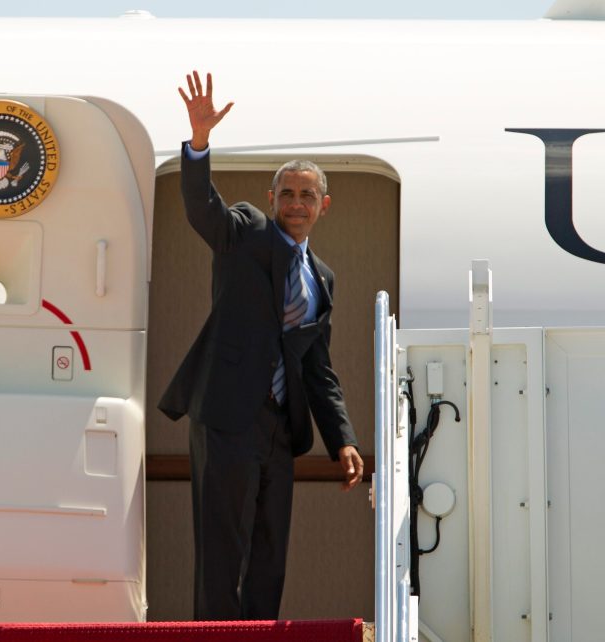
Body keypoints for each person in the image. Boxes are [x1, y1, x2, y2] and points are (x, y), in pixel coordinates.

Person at [158, 71, 363, 621]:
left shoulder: (322, 277)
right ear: (272, 198)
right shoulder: (245, 232)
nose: (297, 203)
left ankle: (259, 635)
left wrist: (341, 438)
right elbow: (202, 207)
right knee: (224, 549)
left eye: (308, 195)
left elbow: (318, 368)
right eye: (288, 193)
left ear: (325, 204)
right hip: (227, 415)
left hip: (280, 427)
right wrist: (199, 143)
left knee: (271, 555)